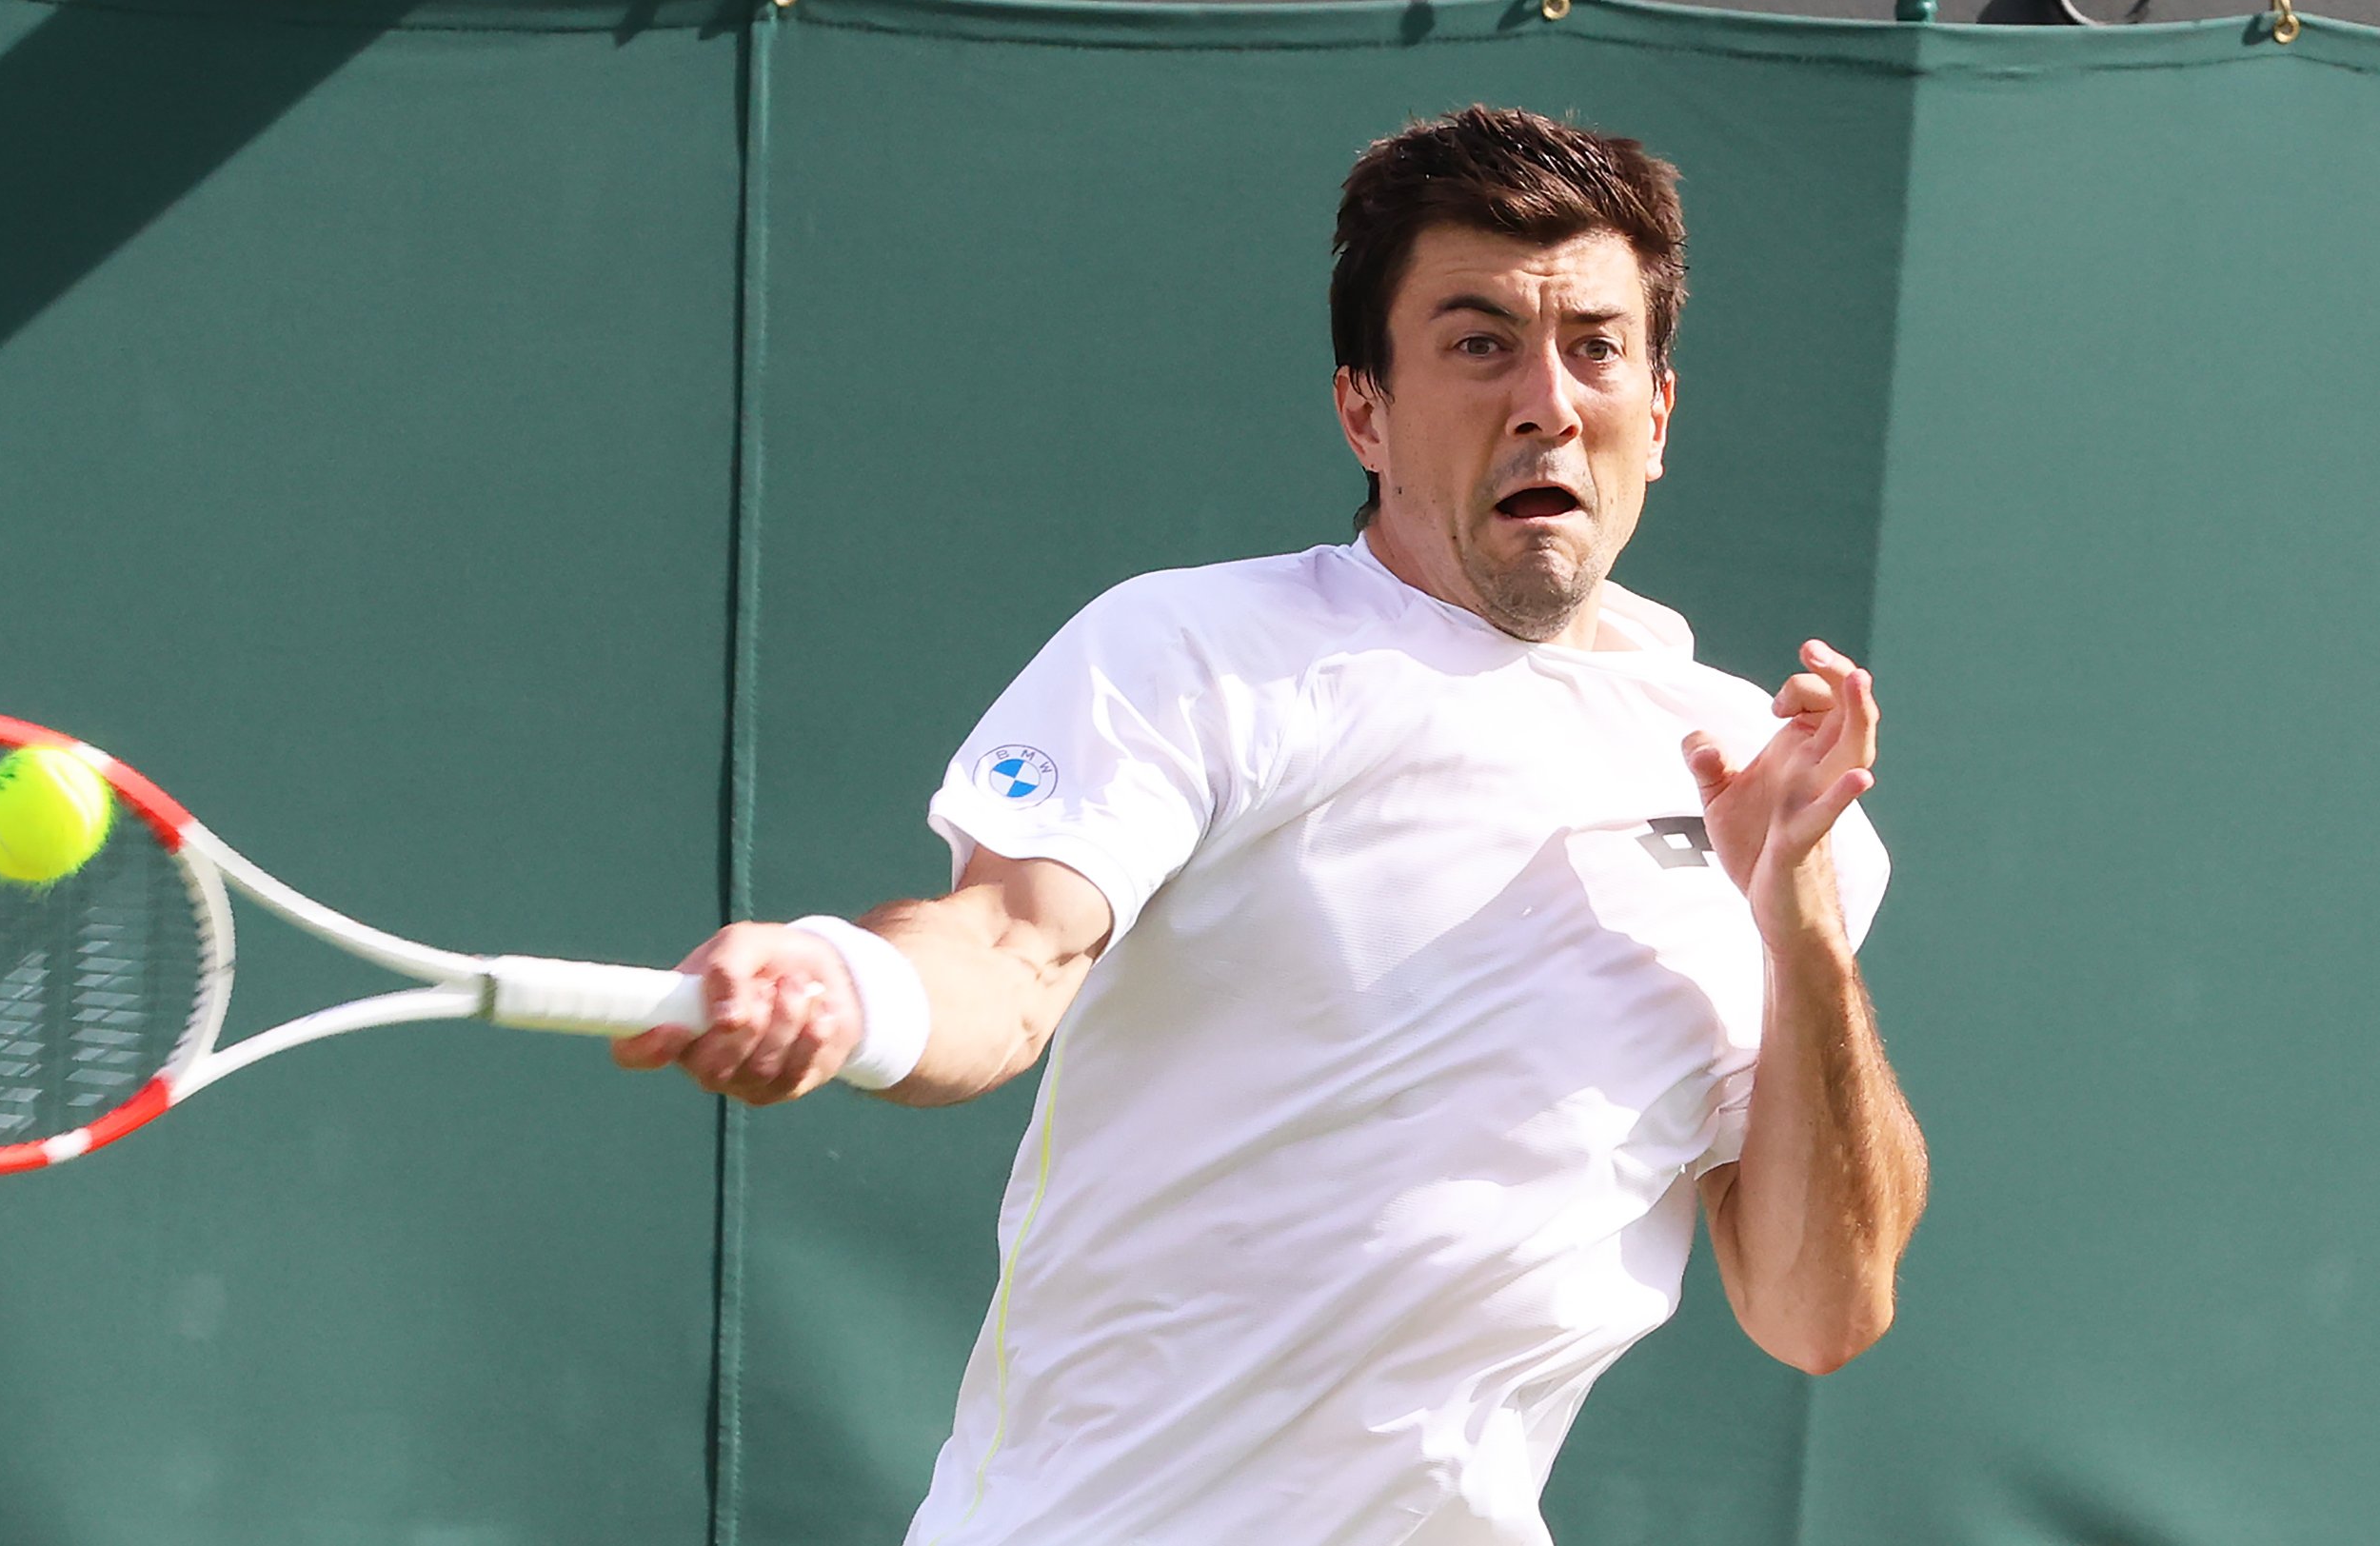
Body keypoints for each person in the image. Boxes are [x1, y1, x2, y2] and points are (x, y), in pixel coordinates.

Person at [612, 105, 1930, 1546]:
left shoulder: (1761, 780)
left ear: (1657, 415)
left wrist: (1796, 918)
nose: (1547, 402)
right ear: (1365, 410)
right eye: (1479, 343)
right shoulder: (1193, 653)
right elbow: (1005, 950)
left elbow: (1819, 1308)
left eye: (1595, 348)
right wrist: (848, 982)